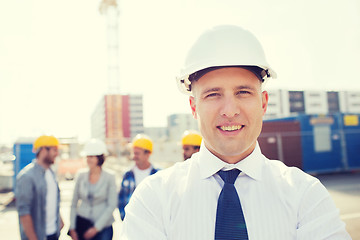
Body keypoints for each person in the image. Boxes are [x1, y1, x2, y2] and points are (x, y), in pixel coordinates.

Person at [119, 25, 352, 239]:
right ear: (193, 107)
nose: (230, 111)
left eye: (243, 92)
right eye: (213, 94)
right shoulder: (153, 199)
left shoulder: (306, 197)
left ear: (263, 103)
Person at [15, 135, 64, 240]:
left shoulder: (51, 172)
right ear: (43, 150)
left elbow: (51, 200)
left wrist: (59, 219)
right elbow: (24, 212)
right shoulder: (27, 176)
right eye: (54, 150)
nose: (57, 154)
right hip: (38, 236)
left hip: (53, 234)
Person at [69, 139, 117, 240]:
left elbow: (111, 205)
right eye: (87, 157)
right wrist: (72, 228)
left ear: (99, 158)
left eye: (91, 156)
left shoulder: (110, 177)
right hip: (83, 226)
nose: (88, 159)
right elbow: (73, 204)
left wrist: (96, 228)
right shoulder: (80, 175)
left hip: (104, 228)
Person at [118, 134, 158, 221]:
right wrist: (125, 219)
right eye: (133, 153)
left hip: (153, 224)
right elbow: (121, 199)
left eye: (137, 153)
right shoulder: (127, 175)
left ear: (148, 154)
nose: (134, 156)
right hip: (132, 223)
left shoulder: (158, 175)